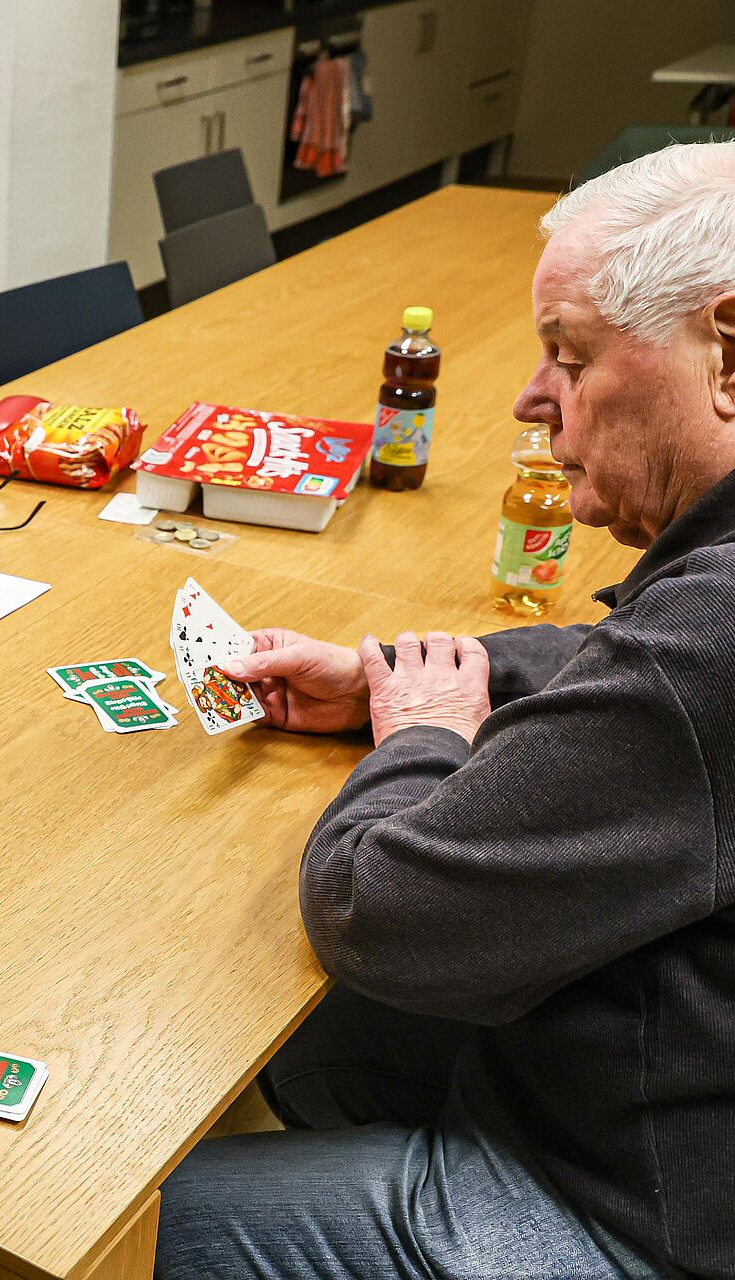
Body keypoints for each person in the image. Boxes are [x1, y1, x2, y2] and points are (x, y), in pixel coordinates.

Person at [154, 141, 735, 1279]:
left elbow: (379, 908)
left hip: (647, 1212)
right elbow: (617, 656)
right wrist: (405, 669)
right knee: (317, 1036)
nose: (530, 399)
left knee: (117, 1221)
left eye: (568, 357)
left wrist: (420, 729)